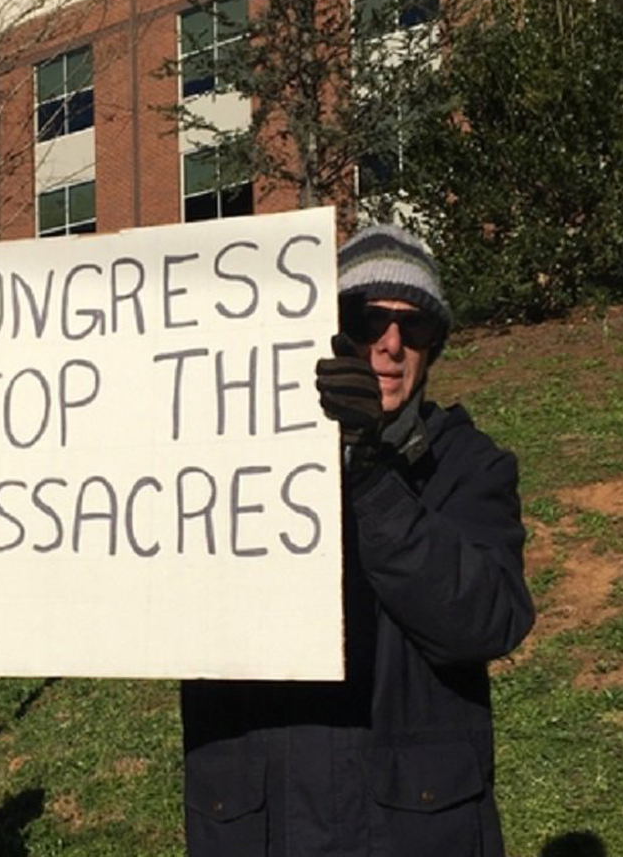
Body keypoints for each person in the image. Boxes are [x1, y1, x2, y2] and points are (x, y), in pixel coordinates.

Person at [179, 222, 536, 857]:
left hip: (412, 830)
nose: (391, 343)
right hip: (257, 822)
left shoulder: (470, 466)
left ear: (434, 348)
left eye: (415, 326)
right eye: (367, 319)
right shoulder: (233, 462)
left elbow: (486, 621)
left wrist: (370, 476)